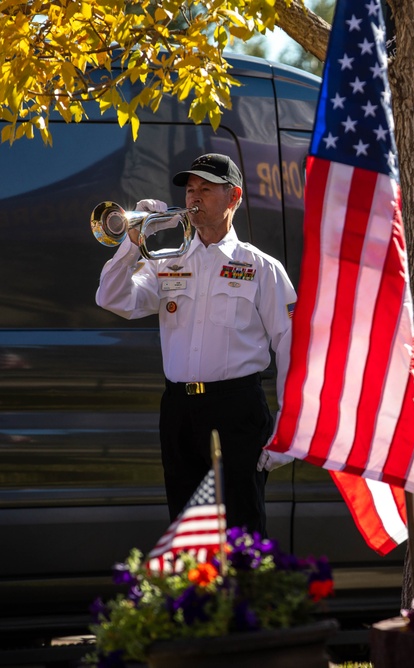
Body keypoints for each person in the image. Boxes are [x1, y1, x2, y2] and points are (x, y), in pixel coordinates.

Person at [96, 153, 297, 534]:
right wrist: (133, 241)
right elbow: (112, 298)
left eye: (206, 189)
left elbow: (292, 345)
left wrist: (288, 427)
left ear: (233, 197)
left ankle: (243, 594)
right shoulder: (167, 261)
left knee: (241, 531)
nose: (194, 198)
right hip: (179, 411)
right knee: (187, 533)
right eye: (190, 190)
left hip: (236, 410)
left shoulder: (260, 266)